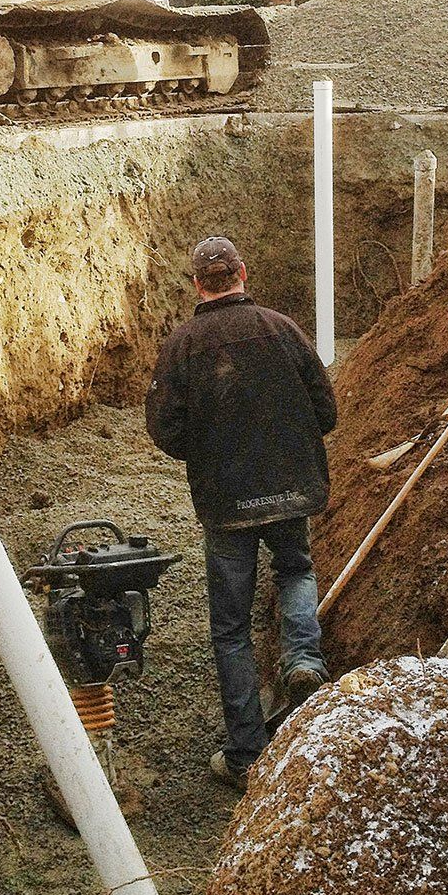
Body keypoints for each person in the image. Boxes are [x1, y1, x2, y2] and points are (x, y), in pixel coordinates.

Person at [146, 235, 336, 791]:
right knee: (296, 570)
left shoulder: (182, 346)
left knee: (230, 628)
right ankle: (303, 658)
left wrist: (209, 453)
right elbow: (325, 408)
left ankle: (246, 754)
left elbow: (164, 428)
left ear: (197, 284)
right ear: (243, 274)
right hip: (289, 489)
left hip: (226, 502)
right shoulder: (282, 329)